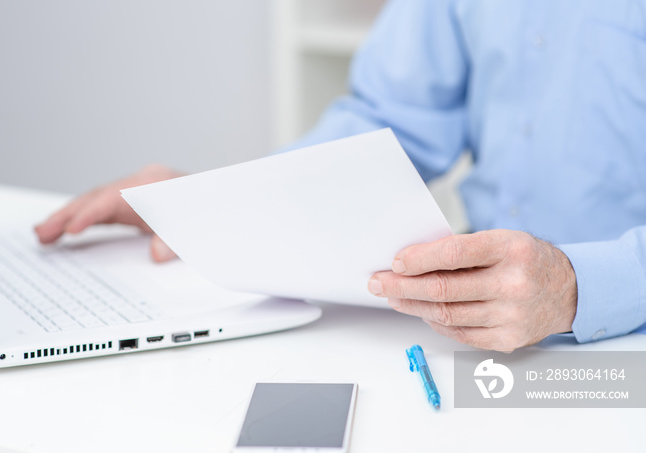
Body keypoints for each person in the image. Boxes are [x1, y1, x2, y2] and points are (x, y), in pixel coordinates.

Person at [35, 0, 646, 352]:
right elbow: (395, 120)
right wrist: (214, 202)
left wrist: (572, 286)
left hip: (626, 347)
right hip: (472, 334)